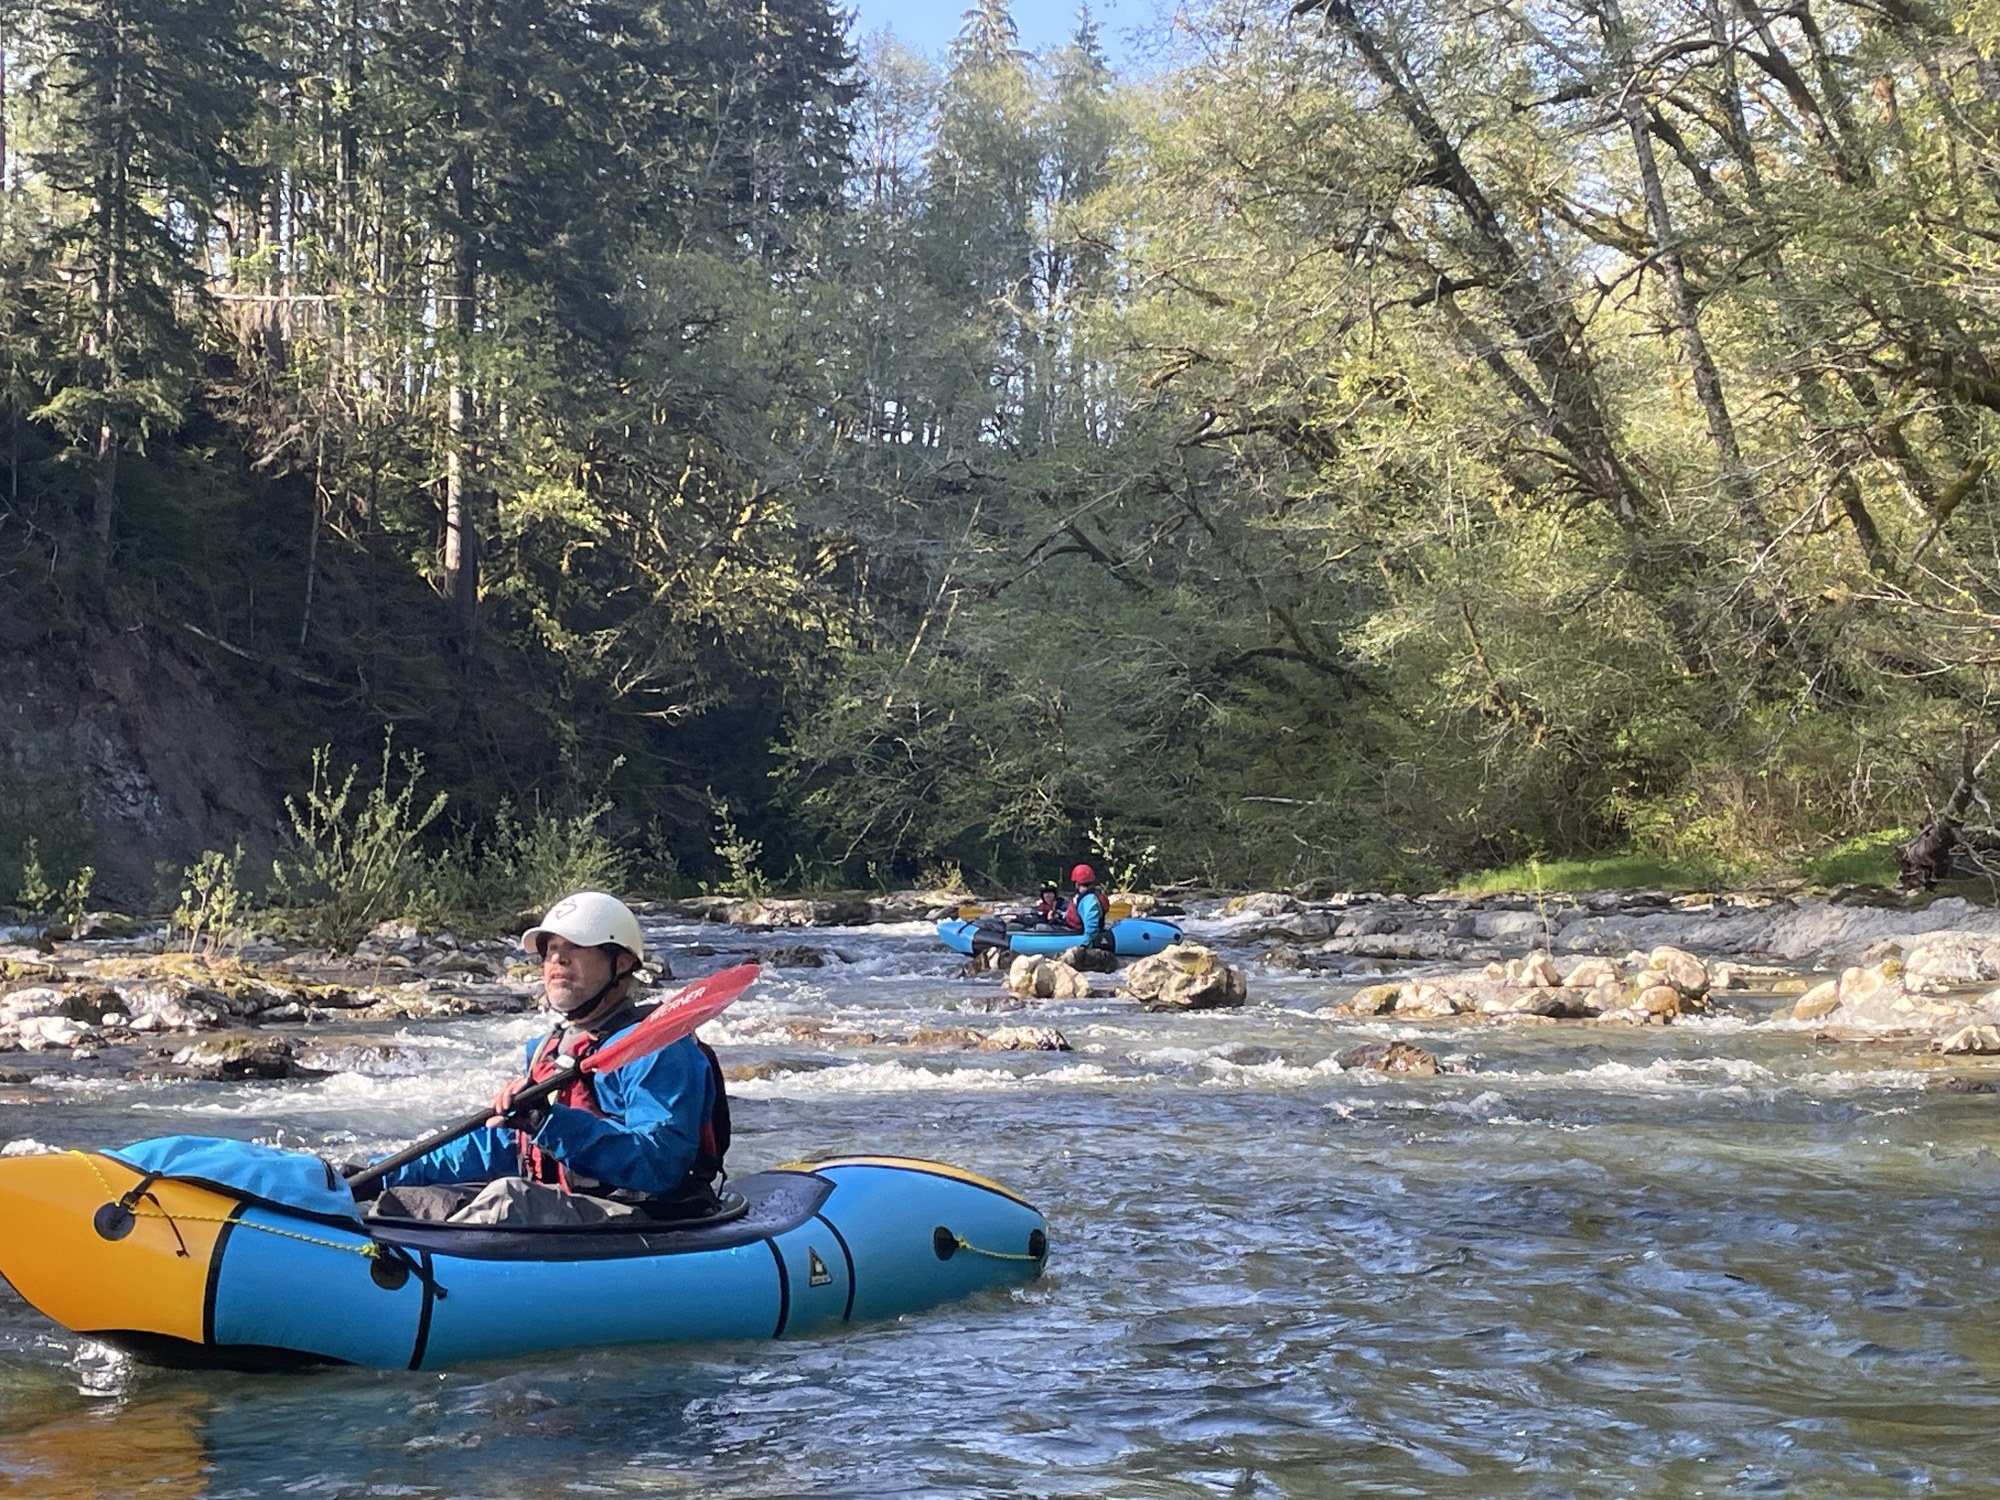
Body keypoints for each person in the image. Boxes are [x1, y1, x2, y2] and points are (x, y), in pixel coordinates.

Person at [359, 891, 727, 1225]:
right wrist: (376, 1174)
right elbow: (501, 1147)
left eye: (575, 947)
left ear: (621, 963)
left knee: (507, 1202)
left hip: (643, 1217)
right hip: (567, 1209)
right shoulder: (547, 1047)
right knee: (399, 1202)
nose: (556, 959)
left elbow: (659, 1165)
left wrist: (549, 1122)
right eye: (549, 948)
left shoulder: (657, 1048)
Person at [1063, 863, 1112, 949]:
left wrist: (1085, 944)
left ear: (1077, 883)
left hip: (1080, 934)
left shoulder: (1088, 900)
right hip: (1075, 929)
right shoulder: (1087, 896)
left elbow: (1091, 922)